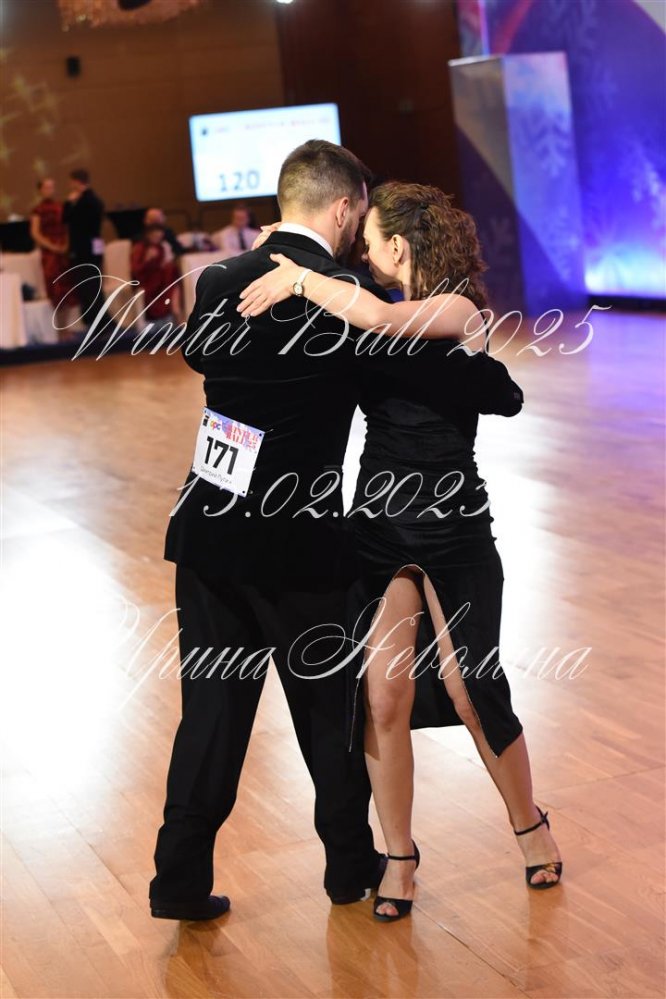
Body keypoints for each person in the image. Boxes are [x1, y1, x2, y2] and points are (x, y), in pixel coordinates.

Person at [238, 181, 564, 922]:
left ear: (399, 244)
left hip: (454, 528)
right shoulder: (361, 311)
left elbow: (386, 320)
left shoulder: (459, 310)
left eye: (371, 239)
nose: (362, 251)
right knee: (383, 697)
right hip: (379, 528)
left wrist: (300, 276)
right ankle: (400, 856)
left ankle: (530, 825)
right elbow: (340, 334)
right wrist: (274, 259)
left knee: (472, 691)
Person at [150, 140, 397, 922]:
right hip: (302, 544)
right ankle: (349, 869)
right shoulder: (348, 292)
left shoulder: (220, 279)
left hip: (209, 532)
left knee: (211, 715)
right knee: (329, 713)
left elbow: (200, 357)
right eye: (360, 211)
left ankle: (178, 881)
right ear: (344, 206)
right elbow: (390, 376)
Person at [62, 168, 105, 329]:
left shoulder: (84, 202)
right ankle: (95, 320)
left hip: (83, 251)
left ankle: (97, 321)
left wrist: (69, 203)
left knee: (87, 285)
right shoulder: (95, 201)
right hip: (93, 249)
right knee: (93, 284)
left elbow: (66, 219)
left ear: (76, 182)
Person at [130, 222, 182, 323]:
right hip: (146, 280)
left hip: (159, 279)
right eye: (155, 236)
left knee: (173, 272)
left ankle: (176, 310)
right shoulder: (140, 248)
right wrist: (147, 260)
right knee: (171, 274)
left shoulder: (160, 247)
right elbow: (136, 270)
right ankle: (176, 311)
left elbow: (160, 265)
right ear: (148, 235)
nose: (157, 239)